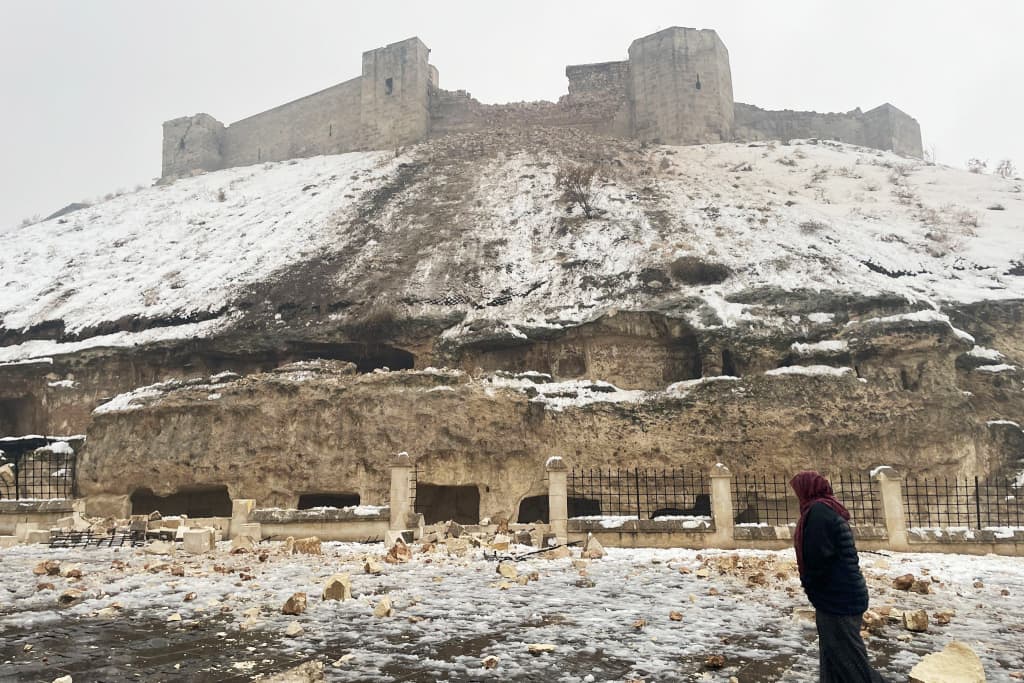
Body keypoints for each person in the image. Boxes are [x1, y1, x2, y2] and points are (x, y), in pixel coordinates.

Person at [790, 470, 886, 683]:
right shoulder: (827, 508)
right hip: (843, 593)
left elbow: (818, 556)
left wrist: (811, 585)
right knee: (833, 658)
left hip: (837, 598)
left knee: (849, 663)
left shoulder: (817, 512)